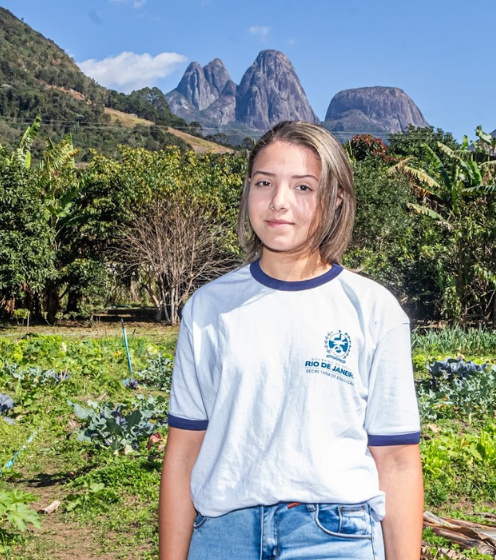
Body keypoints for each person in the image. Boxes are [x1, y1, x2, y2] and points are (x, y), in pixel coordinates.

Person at [159, 121, 423, 560]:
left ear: (335, 199)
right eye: (264, 183)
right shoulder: (207, 309)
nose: (279, 202)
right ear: (247, 192)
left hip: (335, 538)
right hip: (224, 537)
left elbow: (396, 459)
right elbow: (184, 452)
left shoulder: (373, 309)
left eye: (303, 187)